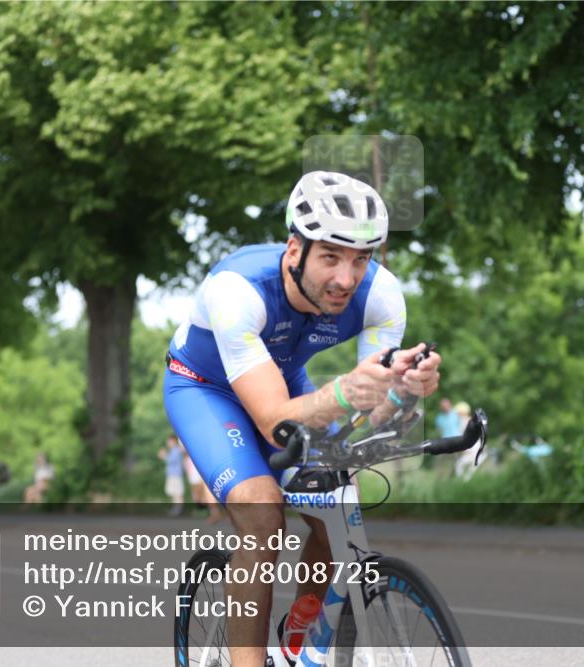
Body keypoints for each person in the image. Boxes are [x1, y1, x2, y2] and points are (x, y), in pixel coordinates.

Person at [163, 171, 442, 666]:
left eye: (361, 259)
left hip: (285, 382)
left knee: (336, 501)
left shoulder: (380, 297)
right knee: (263, 513)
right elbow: (273, 420)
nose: (346, 278)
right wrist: (343, 391)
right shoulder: (239, 290)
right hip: (205, 390)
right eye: (330, 257)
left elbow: (372, 413)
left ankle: (301, 627)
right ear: (295, 251)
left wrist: (403, 394)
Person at [183, 441, 224, 524]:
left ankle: (216, 514)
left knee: (209, 497)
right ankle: (214, 514)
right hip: (196, 479)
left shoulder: (199, 455)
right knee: (203, 498)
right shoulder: (187, 458)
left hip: (202, 479)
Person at [453, 401, 486, 479]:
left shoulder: (466, 421)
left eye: (458, 413)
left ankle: (465, 481)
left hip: (472, 446)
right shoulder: (465, 421)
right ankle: (464, 481)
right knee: (462, 465)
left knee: (464, 465)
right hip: (471, 446)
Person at [161, 435, 186, 516]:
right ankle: (176, 508)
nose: (168, 443)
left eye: (169, 441)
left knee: (178, 492)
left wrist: (164, 456)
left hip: (175, 474)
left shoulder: (176, 450)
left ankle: (179, 509)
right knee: (173, 492)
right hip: (172, 474)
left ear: (174, 441)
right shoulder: (173, 450)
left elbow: (171, 460)